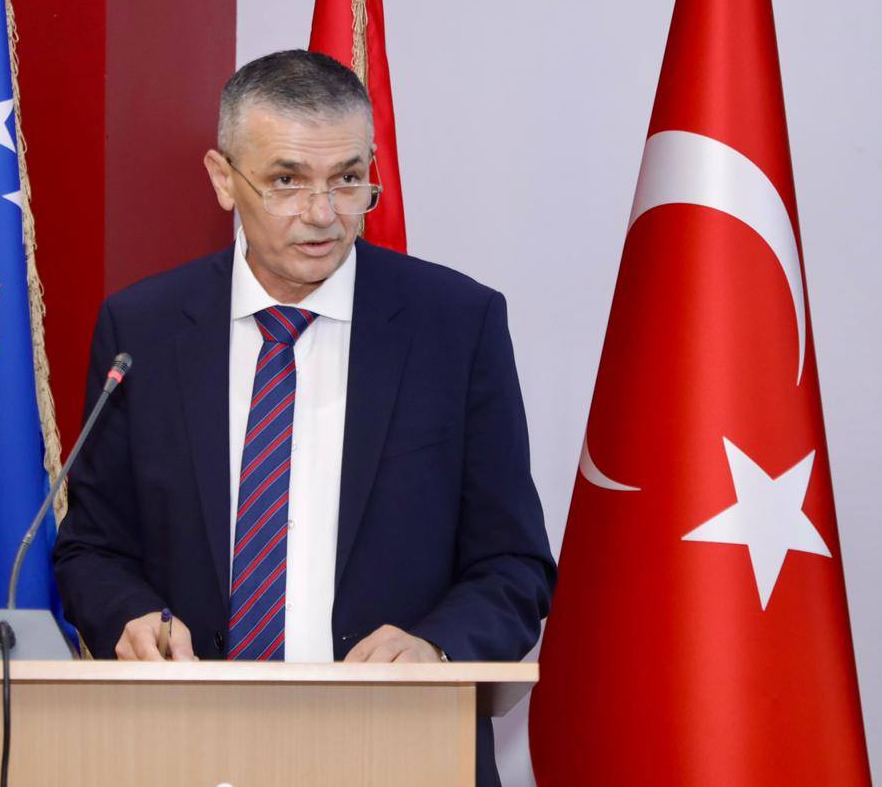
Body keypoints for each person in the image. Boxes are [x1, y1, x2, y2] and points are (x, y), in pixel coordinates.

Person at [53, 49, 556, 786]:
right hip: (184, 748)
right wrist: (130, 616)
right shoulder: (145, 329)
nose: (323, 215)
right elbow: (92, 549)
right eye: (287, 181)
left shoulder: (456, 325)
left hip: (399, 750)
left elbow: (513, 564)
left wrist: (436, 650)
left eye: (347, 179)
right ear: (223, 178)